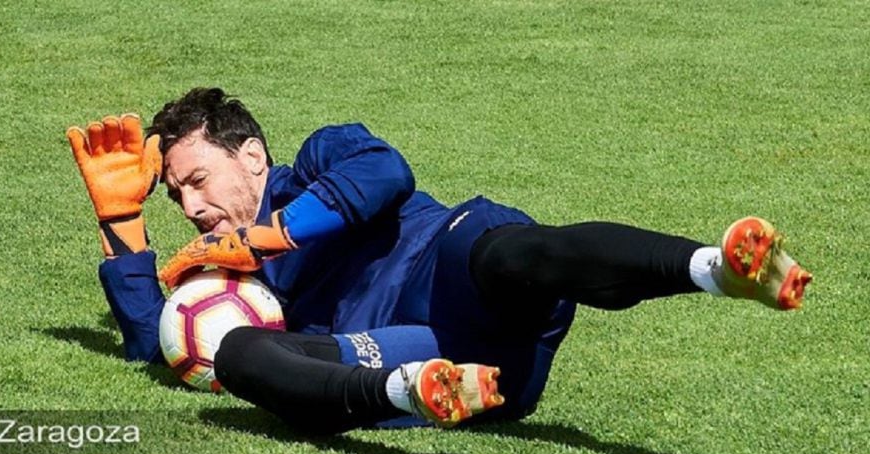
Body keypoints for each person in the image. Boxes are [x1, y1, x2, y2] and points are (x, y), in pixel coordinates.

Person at [66, 87, 812, 434]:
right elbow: (163, 343)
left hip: (453, 272)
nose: (191, 207)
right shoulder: (223, 281)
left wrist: (268, 237)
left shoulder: (322, 157)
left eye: (196, 181)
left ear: (252, 154)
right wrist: (122, 222)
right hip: (420, 357)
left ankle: (718, 267)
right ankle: (405, 392)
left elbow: (387, 176)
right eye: (177, 199)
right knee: (236, 354)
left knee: (516, 251)